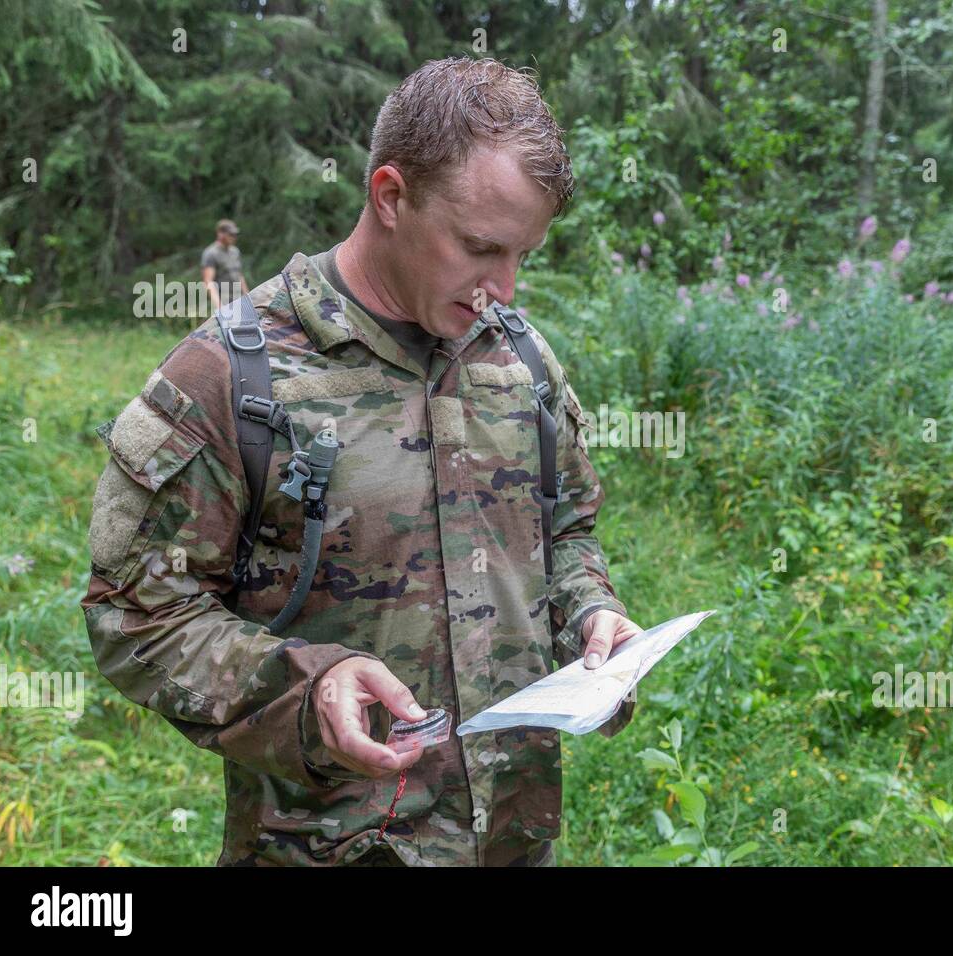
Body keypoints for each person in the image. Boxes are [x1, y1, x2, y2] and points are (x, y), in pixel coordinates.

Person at [82, 56, 641, 867]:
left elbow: (568, 532)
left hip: (515, 842)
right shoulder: (236, 375)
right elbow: (135, 614)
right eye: (481, 248)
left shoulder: (518, 359)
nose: (506, 290)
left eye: (524, 254)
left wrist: (590, 612)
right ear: (390, 196)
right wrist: (307, 690)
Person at [200, 219, 250, 314]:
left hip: (238, 301)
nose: (234, 237)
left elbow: (239, 275)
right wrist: (219, 307)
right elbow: (208, 281)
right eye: (231, 234)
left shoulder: (235, 252)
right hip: (223, 302)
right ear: (220, 234)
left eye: (235, 235)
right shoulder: (211, 253)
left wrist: (248, 298)